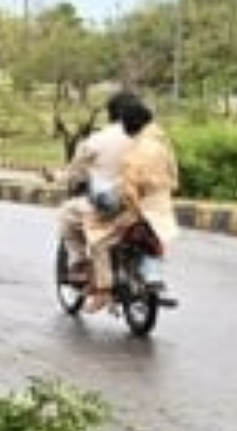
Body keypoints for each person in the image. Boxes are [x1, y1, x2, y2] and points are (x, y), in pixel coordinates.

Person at [54, 89, 142, 311]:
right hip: (148, 205)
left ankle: (86, 273)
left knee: (68, 216)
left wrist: (58, 177)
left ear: (110, 114)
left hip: (113, 204)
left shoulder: (98, 141)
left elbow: (75, 172)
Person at [94, 93, 180, 300]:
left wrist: (127, 208)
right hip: (162, 208)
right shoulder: (162, 141)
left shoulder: (136, 151)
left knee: (96, 236)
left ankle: (103, 290)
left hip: (140, 209)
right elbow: (175, 179)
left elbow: (130, 191)